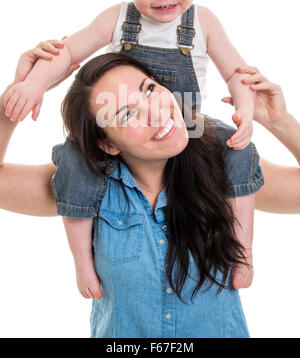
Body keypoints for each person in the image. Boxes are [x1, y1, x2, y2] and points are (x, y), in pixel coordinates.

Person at [2, 0, 258, 293]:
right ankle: (83, 262)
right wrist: (33, 85)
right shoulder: (119, 19)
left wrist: (246, 109)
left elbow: (238, 73)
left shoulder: (202, 22)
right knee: (73, 162)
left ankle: (243, 252)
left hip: (185, 126)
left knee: (241, 152)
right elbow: (69, 54)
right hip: (127, 136)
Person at [0, 45, 264, 338]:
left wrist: (280, 121)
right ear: (107, 145)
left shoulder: (224, 167)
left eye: (149, 89)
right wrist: (16, 97)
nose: (156, 112)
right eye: (128, 115)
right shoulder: (85, 189)